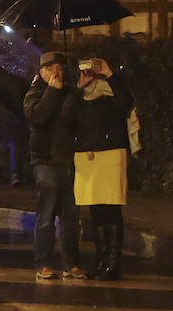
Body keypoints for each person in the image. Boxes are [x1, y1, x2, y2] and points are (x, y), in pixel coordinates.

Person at [61, 57, 133, 280]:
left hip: (111, 155)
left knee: (111, 210)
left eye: (95, 67)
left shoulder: (112, 93)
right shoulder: (80, 96)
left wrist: (110, 73)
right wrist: (78, 87)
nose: (91, 72)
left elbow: (126, 102)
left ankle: (113, 264)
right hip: (87, 158)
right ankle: (102, 261)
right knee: (95, 212)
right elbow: (66, 115)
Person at [23, 52, 85, 280]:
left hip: (67, 159)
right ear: (41, 72)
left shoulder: (69, 90)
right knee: (47, 213)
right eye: (50, 68)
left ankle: (72, 263)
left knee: (71, 216)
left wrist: (77, 91)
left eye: (59, 68)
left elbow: (72, 118)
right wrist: (53, 90)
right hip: (44, 160)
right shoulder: (34, 93)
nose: (56, 72)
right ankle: (43, 263)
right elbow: (39, 117)